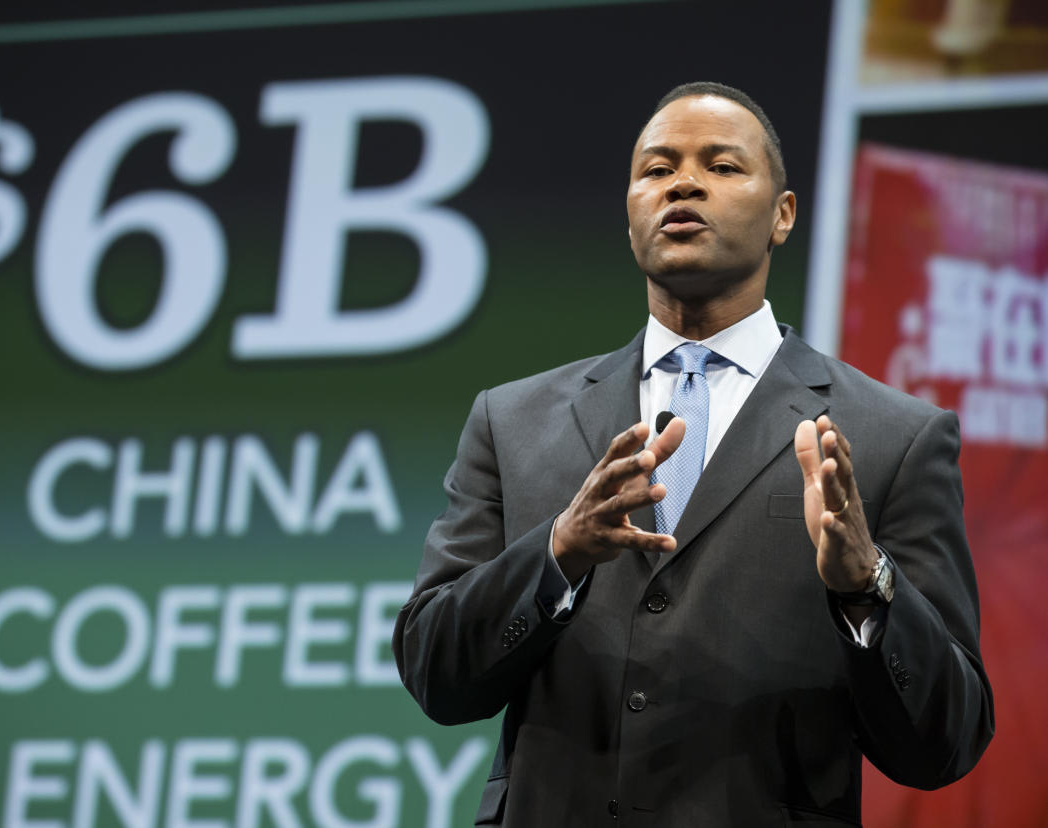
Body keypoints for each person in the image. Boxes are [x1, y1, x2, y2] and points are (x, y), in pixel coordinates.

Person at [392, 82, 993, 826]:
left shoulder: (894, 437)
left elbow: (947, 741)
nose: (682, 183)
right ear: (631, 209)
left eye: (722, 166)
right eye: (657, 168)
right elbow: (435, 673)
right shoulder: (511, 421)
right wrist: (557, 553)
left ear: (783, 215)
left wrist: (865, 587)